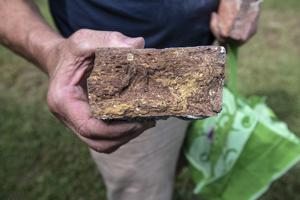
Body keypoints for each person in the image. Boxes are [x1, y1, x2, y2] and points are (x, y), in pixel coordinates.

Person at [0, 0, 260, 199]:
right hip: (121, 83)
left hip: (202, 62)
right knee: (142, 188)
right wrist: (52, 53)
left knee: (185, 156)